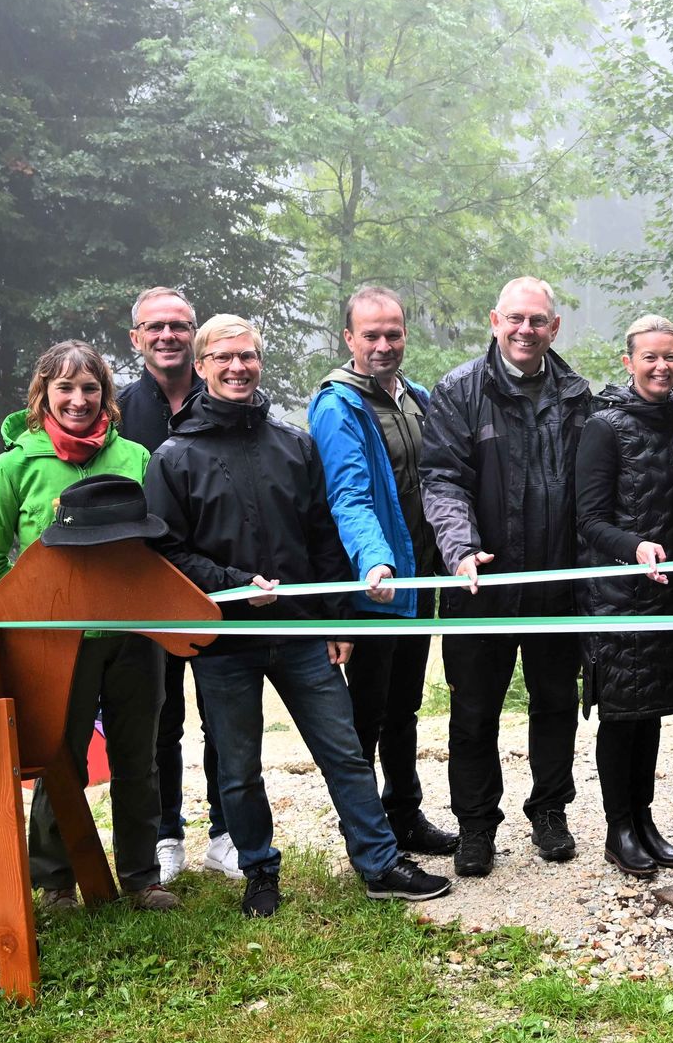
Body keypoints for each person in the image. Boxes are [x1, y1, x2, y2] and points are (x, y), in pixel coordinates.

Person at [145, 314, 450, 916]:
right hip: (224, 638)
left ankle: (380, 862)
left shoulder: (295, 444)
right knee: (238, 768)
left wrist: (338, 617)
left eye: (249, 356)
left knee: (342, 748)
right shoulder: (174, 457)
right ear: (202, 367)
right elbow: (167, 552)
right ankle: (259, 871)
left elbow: (324, 539)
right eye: (225, 358)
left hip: (304, 632)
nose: (238, 368)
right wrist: (233, 585)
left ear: (260, 363)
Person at [0, 340, 176, 912]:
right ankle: (55, 882)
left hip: (133, 637)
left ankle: (142, 877)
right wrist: (36, 611)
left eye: (90, 388)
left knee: (139, 755)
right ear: (43, 395)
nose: (79, 400)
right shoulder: (13, 466)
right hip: (53, 645)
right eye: (65, 388)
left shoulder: (135, 459)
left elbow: (160, 546)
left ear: (106, 394)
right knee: (60, 759)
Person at [421, 277, 592, 876]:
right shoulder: (458, 391)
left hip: (557, 584)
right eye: (515, 318)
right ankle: (475, 825)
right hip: (480, 584)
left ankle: (550, 810)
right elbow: (441, 480)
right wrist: (459, 548)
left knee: (555, 702)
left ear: (554, 327)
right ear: (495, 320)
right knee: (473, 711)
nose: (525, 330)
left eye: (538, 320)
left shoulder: (578, 395)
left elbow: (591, 492)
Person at [307, 286, 459, 859]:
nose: (383, 344)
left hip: (419, 585)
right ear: (349, 338)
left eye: (392, 333)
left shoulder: (417, 397)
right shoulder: (337, 405)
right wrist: (375, 560)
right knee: (365, 718)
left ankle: (404, 814)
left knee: (405, 708)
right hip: (375, 588)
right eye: (370, 334)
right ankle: (367, 836)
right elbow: (349, 495)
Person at [574, 315, 673, 878]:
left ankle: (644, 818)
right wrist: (635, 548)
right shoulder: (604, 426)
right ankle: (617, 828)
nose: (661, 366)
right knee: (623, 715)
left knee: (650, 713)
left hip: (670, 592)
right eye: (650, 357)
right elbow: (588, 519)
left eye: (671, 356)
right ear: (628, 363)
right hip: (618, 594)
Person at [116, 286, 231, 885]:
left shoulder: (224, 400)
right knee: (159, 717)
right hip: (143, 588)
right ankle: (165, 834)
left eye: (179, 326)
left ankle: (226, 833)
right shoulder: (115, 409)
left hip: (211, 582)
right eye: (154, 326)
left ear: (196, 337)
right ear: (135, 338)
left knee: (222, 711)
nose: (168, 336)